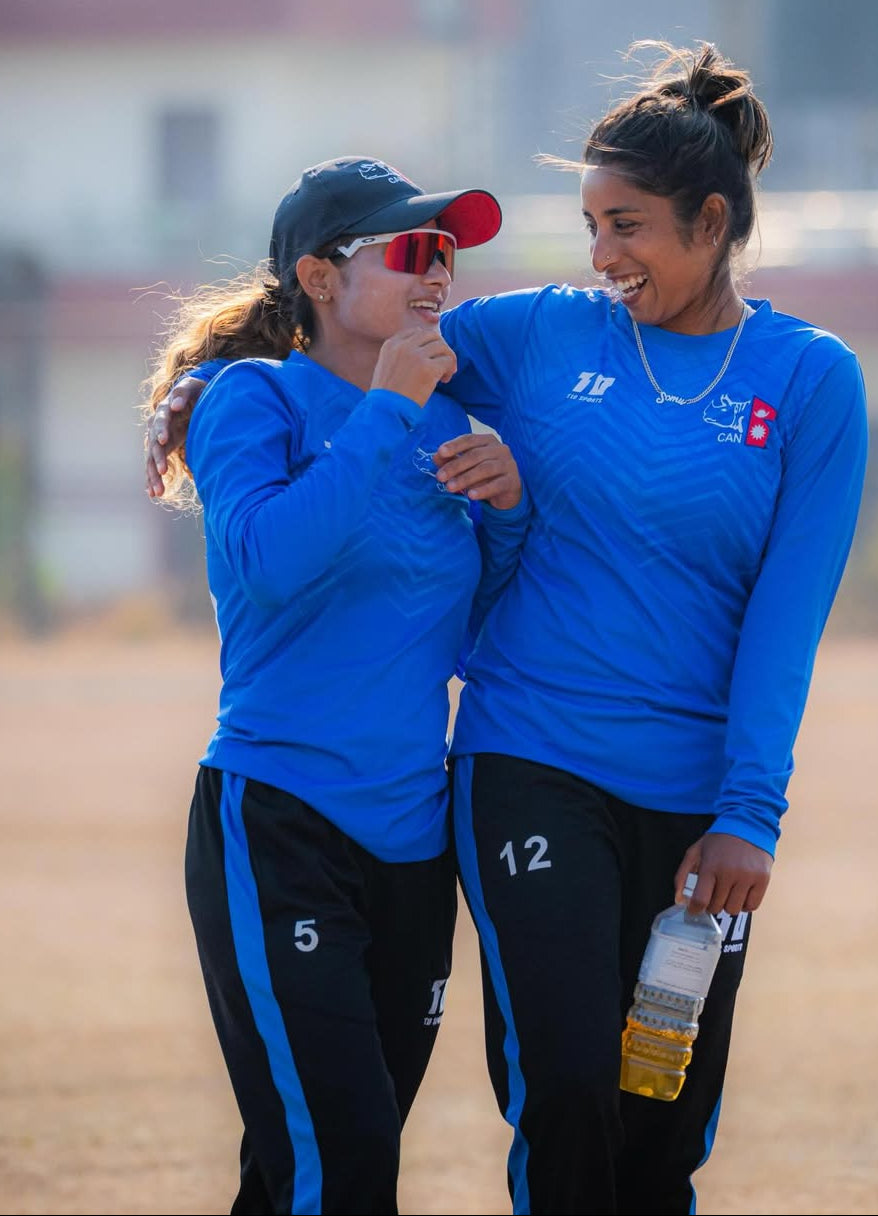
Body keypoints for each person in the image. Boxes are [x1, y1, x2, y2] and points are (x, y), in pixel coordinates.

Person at [146, 41, 868, 1216]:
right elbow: (338, 349)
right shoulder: (540, 332)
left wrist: (748, 809)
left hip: (679, 799)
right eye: (589, 226)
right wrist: (198, 381)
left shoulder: (810, 379)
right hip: (522, 763)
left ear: (713, 219)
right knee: (563, 1086)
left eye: (625, 225)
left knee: (661, 1117)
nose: (601, 257)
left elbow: (786, 619)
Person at [140, 154, 530, 1215]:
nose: (437, 272)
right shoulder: (248, 402)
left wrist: (507, 517)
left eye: (446, 252)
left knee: (300, 1171)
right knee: (345, 1165)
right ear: (317, 276)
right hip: (280, 829)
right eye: (410, 249)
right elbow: (269, 563)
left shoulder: (446, 428)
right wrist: (386, 413)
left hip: (411, 850)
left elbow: (456, 635)